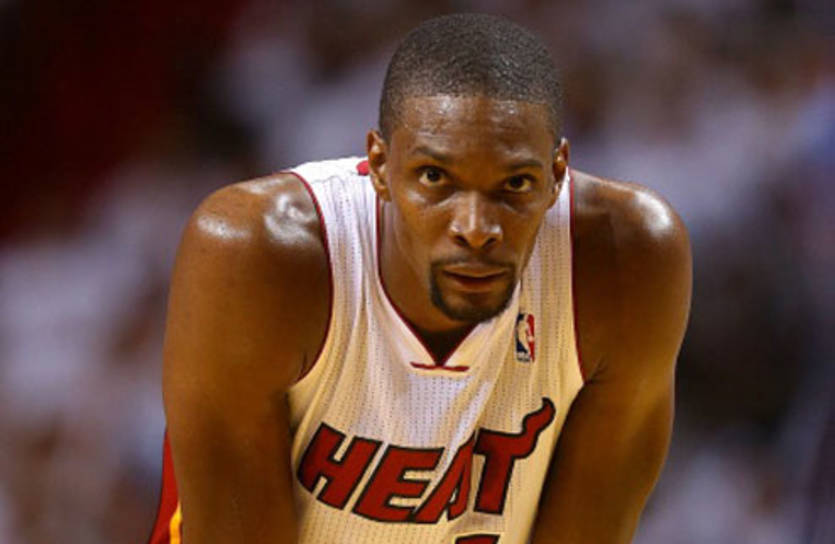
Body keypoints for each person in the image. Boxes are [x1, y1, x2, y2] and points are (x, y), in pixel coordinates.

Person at [149, 13, 691, 544]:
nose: (475, 228)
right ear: (380, 166)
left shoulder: (626, 261)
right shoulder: (261, 258)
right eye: (436, 178)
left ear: (556, 175)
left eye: (515, 184)